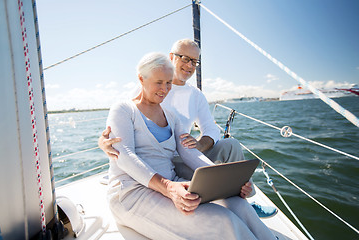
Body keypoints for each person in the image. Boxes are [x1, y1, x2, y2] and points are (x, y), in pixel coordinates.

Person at [107, 52, 276, 239]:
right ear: (141, 78)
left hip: (173, 185)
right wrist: (169, 188)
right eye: (159, 82)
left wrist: (232, 182)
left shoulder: (171, 115)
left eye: (169, 82)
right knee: (223, 221)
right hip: (132, 194)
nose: (165, 89)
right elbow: (125, 156)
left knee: (238, 205)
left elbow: (190, 154)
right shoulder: (123, 109)